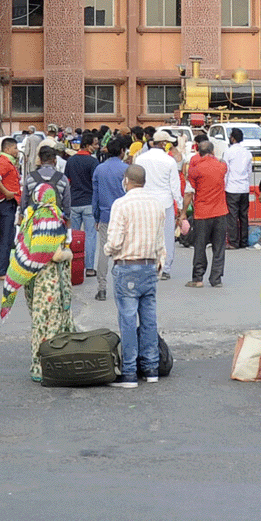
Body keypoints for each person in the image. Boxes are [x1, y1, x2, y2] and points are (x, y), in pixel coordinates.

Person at [0, 181, 75, 382]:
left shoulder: (30, 216)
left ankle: (37, 366)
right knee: (52, 323)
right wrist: (70, 254)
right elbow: (55, 254)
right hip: (48, 279)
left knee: (38, 322)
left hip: (32, 278)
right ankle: (49, 367)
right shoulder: (50, 218)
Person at [104, 164, 166, 388]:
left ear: (127, 180)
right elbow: (160, 241)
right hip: (150, 266)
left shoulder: (121, 205)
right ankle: (151, 368)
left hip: (127, 266)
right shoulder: (156, 205)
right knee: (149, 319)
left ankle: (129, 372)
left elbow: (115, 241)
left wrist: (107, 251)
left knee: (128, 320)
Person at [133, 129, 183, 281]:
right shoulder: (169, 161)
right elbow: (175, 185)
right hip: (165, 203)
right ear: (163, 143)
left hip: (145, 202)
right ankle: (165, 268)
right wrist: (180, 206)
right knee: (166, 237)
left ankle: (147, 265)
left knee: (146, 235)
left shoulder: (141, 159)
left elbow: (137, 181)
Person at [183, 140, 228, 289]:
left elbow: (190, 192)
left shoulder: (195, 170)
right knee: (219, 247)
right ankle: (216, 279)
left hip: (202, 212)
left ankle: (198, 278)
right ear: (213, 151)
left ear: (198, 152)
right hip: (220, 211)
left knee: (200, 246)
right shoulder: (222, 166)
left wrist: (183, 213)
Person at [90, 138, 128, 302]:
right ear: (122, 151)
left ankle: (102, 288)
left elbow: (95, 196)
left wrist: (96, 216)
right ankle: (123, 287)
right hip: (124, 216)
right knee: (123, 251)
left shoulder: (100, 169)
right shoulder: (127, 169)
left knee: (104, 252)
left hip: (105, 215)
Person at [64, 131, 100, 276]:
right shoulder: (93, 162)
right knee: (90, 236)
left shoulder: (71, 161)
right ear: (88, 145)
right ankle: (89, 267)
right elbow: (96, 184)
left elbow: (67, 183)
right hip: (89, 203)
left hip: (74, 202)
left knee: (73, 237)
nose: (97, 147)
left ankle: (72, 266)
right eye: (95, 144)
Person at [0, 137, 22, 279]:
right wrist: (7, 192)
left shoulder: (4, 160)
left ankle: (2, 268)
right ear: (7, 149)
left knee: (7, 235)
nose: (17, 151)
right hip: (5, 202)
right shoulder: (4, 162)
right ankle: (0, 270)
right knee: (6, 236)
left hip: (6, 201)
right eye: (15, 148)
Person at [223, 128, 253, 249]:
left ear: (232, 138)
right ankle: (244, 241)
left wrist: (224, 186)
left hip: (232, 187)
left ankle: (234, 242)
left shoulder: (228, 152)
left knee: (232, 216)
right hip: (244, 188)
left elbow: (226, 171)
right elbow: (249, 171)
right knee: (244, 216)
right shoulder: (247, 152)